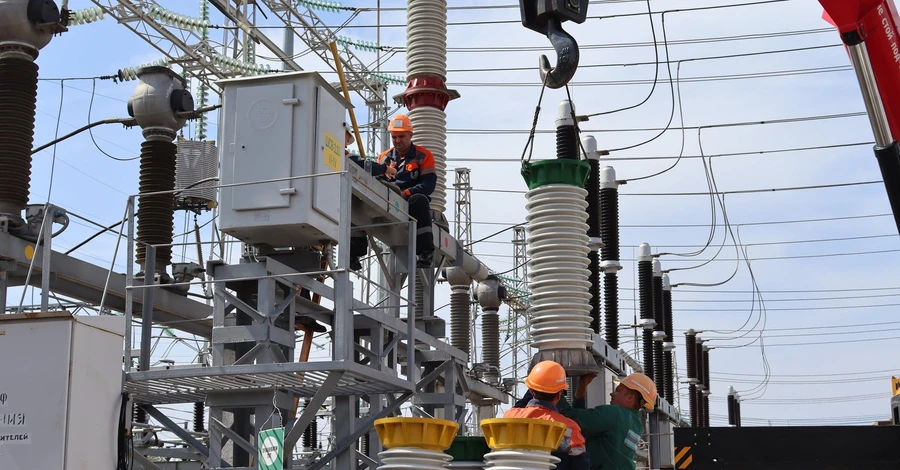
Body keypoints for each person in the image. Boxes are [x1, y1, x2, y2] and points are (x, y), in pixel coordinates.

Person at [347, 115, 436, 269]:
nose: (397, 140)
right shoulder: (384, 158)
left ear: (410, 135)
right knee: (356, 198)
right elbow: (376, 180)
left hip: (410, 201)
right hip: (386, 196)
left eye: (401, 136)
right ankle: (354, 253)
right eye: (394, 137)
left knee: (419, 200)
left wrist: (405, 193)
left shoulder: (423, 156)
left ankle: (424, 252)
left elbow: (428, 184)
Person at [555, 373, 656, 470]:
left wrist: (555, 384)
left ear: (630, 397)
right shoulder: (636, 424)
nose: (612, 393)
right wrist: (582, 388)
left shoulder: (616, 414)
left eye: (618, 391)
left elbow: (570, 417)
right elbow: (582, 425)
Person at [505, 361, 590, 470]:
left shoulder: (509, 417)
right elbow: (580, 464)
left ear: (530, 390)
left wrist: (540, 380)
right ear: (559, 395)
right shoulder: (569, 427)